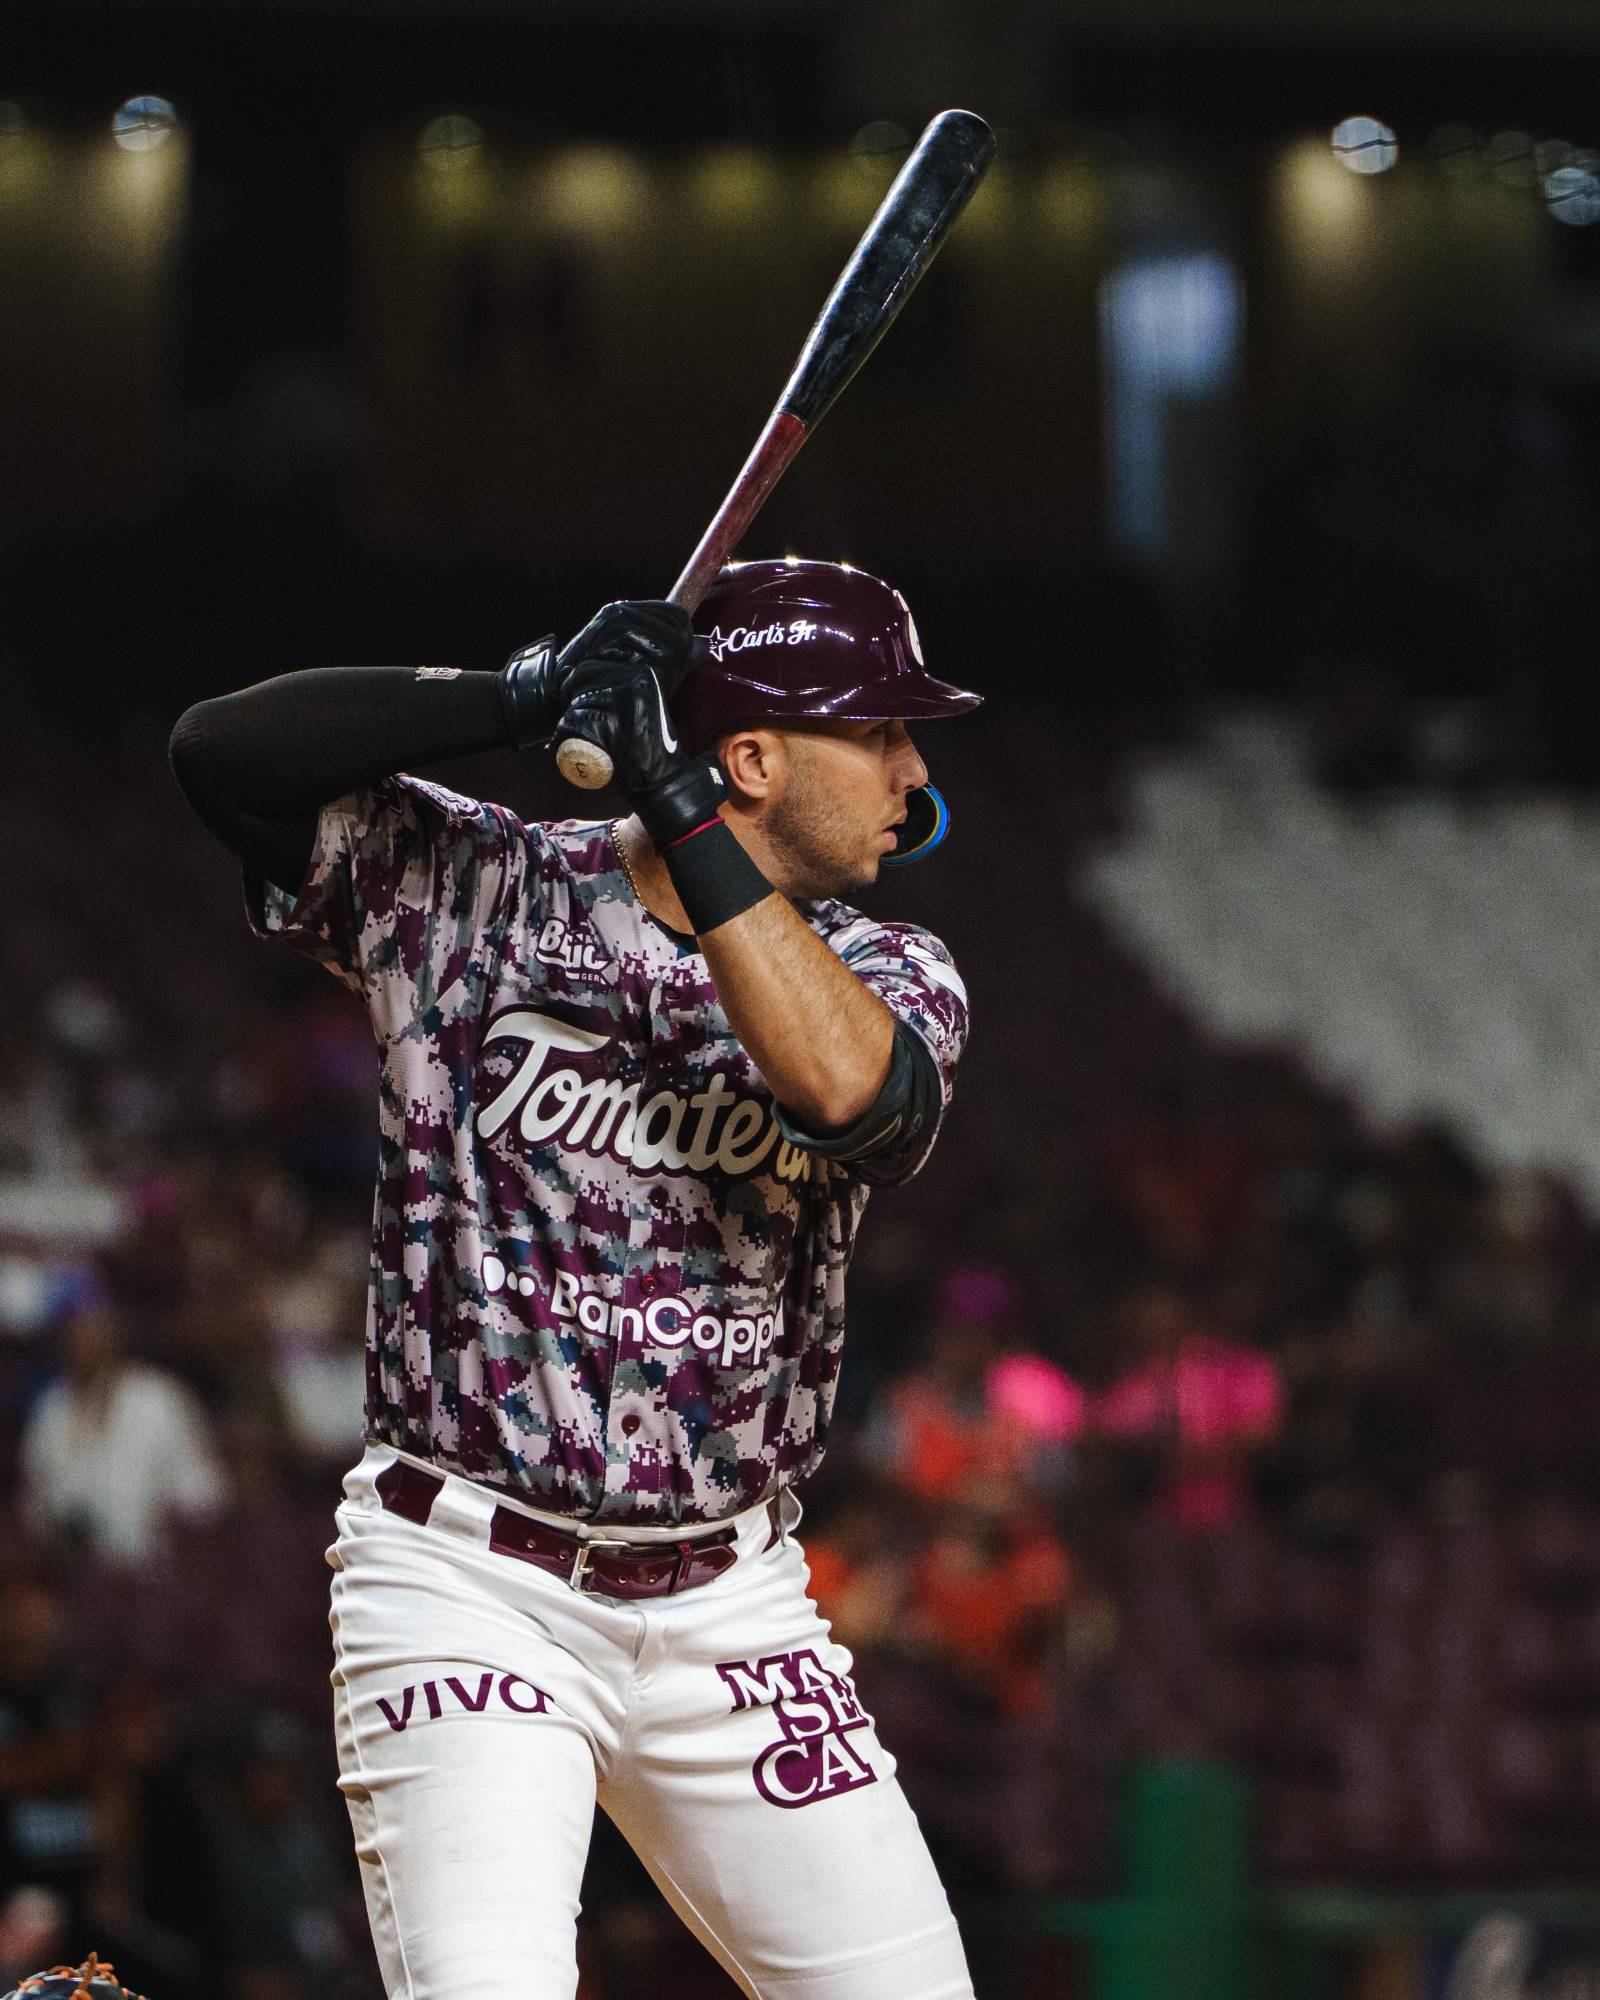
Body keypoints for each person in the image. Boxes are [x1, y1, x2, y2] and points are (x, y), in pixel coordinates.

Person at [169, 558, 981, 2000]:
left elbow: (860, 1101)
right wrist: (519, 697)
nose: (911, 769)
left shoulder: (887, 964)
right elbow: (221, 755)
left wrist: (672, 801)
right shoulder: (483, 891)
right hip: (469, 1583)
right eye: (880, 731)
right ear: (754, 756)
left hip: (732, 1604)